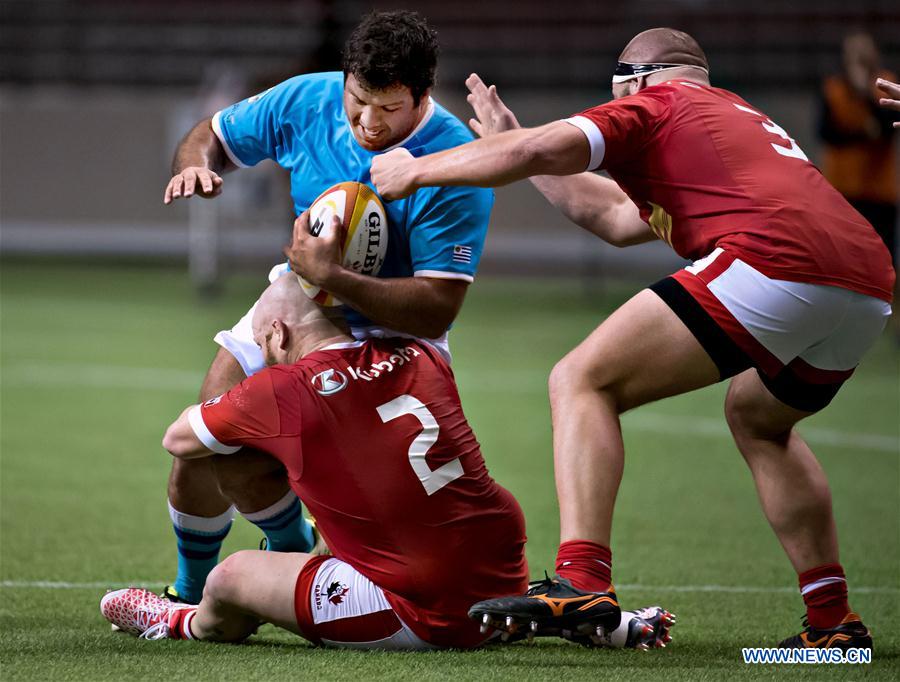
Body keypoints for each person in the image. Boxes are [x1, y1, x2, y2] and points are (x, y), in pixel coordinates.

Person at [371, 27, 894, 650]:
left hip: (775, 260)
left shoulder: (656, 102)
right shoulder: (733, 119)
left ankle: (582, 580)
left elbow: (542, 148)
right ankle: (834, 624)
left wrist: (417, 169)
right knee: (759, 419)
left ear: (636, 81)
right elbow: (614, 216)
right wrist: (513, 140)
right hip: (868, 283)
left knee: (582, 380)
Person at [100, 275, 671, 650]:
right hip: (500, 565)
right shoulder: (418, 352)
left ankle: (176, 620)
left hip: (415, 602)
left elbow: (179, 439)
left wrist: (244, 393)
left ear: (277, 332)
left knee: (231, 578)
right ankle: (573, 619)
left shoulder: (281, 388)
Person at [159, 10, 493, 605]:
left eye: (388, 108)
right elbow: (210, 133)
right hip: (300, 296)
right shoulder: (306, 100)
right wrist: (195, 167)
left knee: (362, 494)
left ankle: (290, 553)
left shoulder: (455, 161)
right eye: (357, 100)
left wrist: (333, 275)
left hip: (394, 334)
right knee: (208, 440)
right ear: (344, 79)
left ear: (423, 96)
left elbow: (436, 308)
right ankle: (194, 590)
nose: (368, 122)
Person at [818, 32, 897, 274]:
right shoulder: (833, 87)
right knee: (844, 256)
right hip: (843, 187)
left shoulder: (887, 84)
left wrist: (866, 95)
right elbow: (826, 133)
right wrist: (866, 134)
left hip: (879, 188)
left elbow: (888, 130)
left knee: (883, 258)